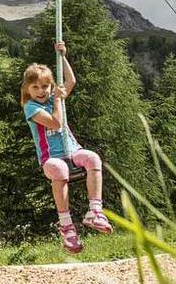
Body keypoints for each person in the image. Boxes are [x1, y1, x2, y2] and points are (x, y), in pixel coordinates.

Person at [21, 41, 112, 255]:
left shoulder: (54, 97)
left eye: (45, 86)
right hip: (51, 158)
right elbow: (55, 123)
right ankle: (66, 226)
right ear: (27, 89)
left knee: (93, 158)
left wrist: (62, 56)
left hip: (72, 150)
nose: (41, 91)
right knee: (60, 170)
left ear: (51, 86)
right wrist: (58, 101)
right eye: (35, 87)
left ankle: (95, 211)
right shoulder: (31, 107)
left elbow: (71, 81)